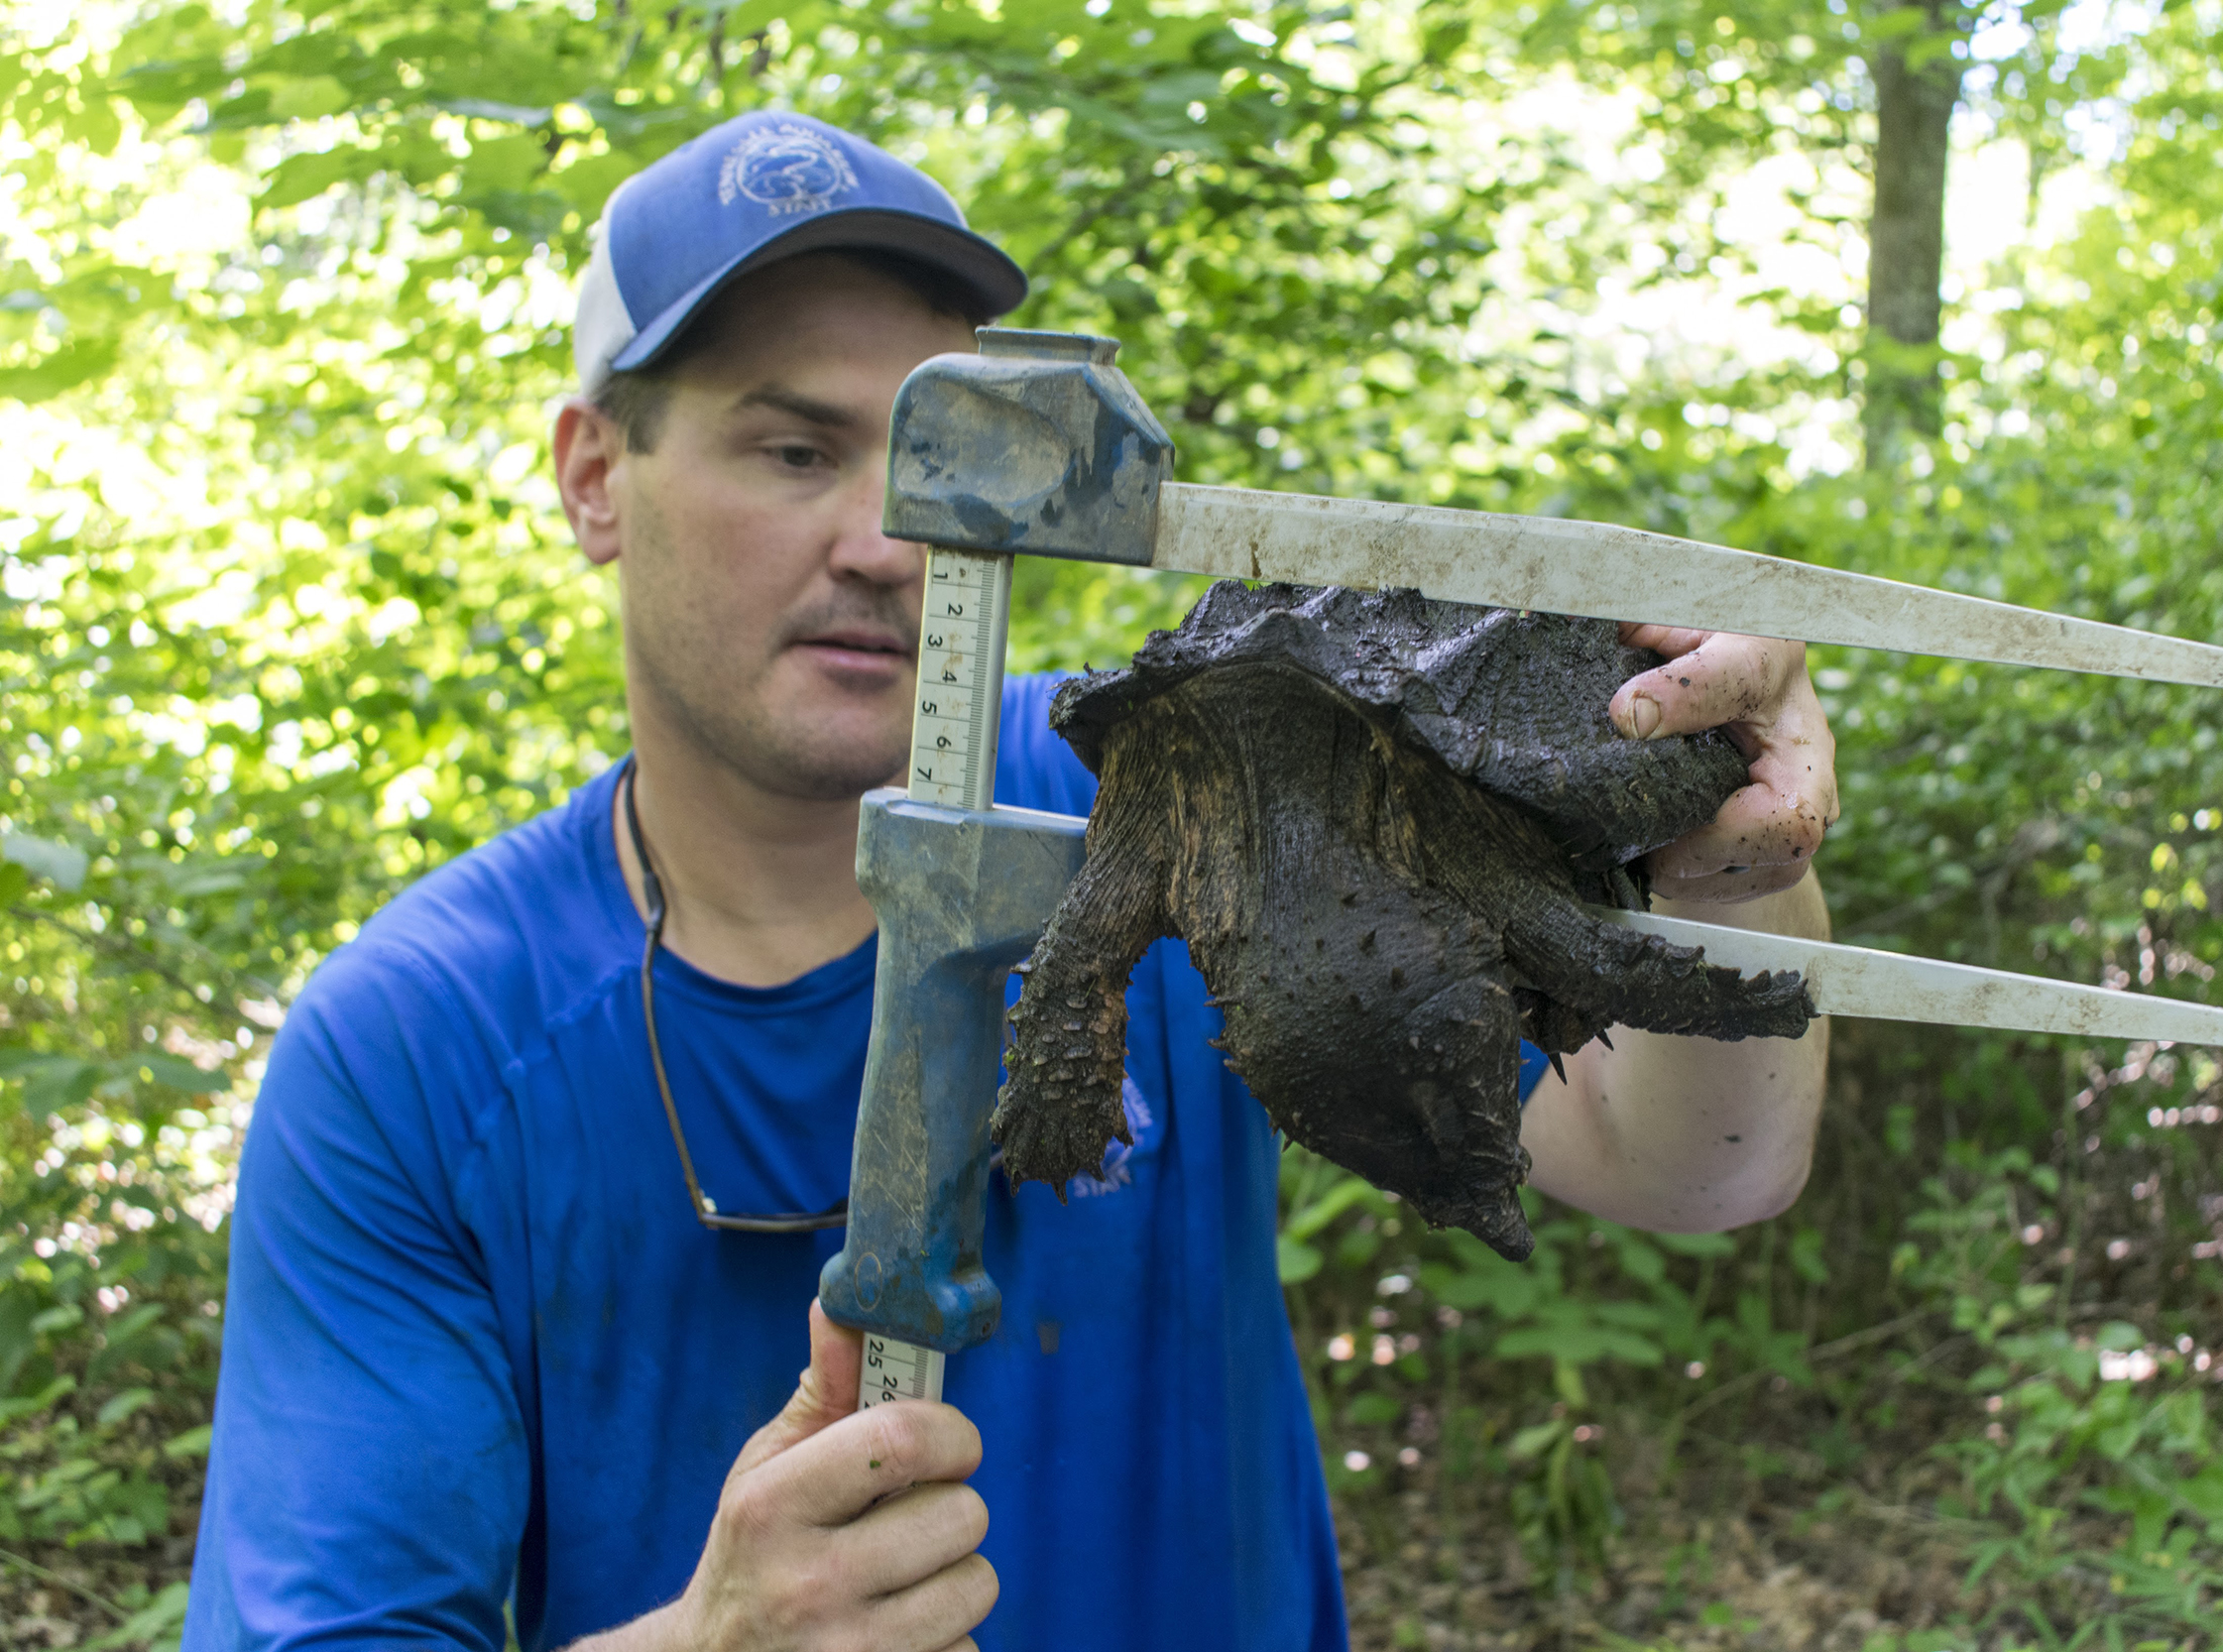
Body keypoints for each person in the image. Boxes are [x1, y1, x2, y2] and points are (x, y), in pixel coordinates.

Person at [181, 111, 1838, 1652]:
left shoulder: (1195, 789)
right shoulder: (417, 1050)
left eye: (936, 463)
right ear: (596, 476)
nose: (888, 544)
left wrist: (1724, 861)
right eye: (791, 451)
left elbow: (1697, 1162)